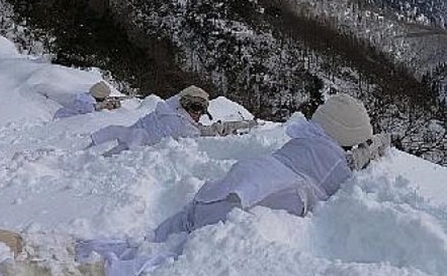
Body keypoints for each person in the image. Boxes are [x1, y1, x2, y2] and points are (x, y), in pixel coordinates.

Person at [80, 94, 391, 276]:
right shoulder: (333, 159)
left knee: (162, 236)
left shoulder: (304, 139)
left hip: (237, 182)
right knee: (171, 257)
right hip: (250, 199)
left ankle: (92, 255)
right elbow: (351, 166)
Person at [88, 85, 213, 156]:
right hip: (133, 153)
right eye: (196, 109)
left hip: (125, 138)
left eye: (202, 111)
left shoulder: (167, 108)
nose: (199, 114)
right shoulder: (180, 125)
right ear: (184, 104)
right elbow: (197, 137)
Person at [54, 81, 120, 119]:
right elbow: (90, 110)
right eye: (105, 96)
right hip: (62, 120)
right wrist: (104, 105)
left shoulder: (86, 97)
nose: (106, 98)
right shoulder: (84, 101)